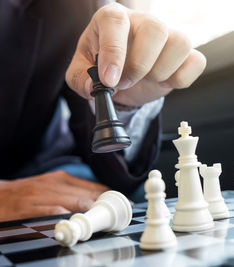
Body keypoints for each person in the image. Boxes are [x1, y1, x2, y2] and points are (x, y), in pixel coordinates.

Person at [0, 0, 206, 222]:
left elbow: (108, 164)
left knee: (119, 196)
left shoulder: (74, 7)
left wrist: (124, 102)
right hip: (27, 173)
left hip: (39, 162)